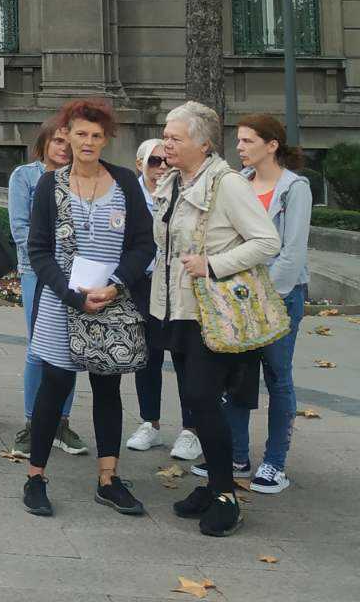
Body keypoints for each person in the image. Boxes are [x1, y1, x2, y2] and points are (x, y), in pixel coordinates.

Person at [20, 99, 156, 519]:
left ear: (106, 139)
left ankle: (108, 479)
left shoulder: (125, 184)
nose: (88, 142)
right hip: (64, 303)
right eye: (80, 134)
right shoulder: (50, 185)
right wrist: (72, 295)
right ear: (67, 135)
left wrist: (115, 286)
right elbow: (39, 251)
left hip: (110, 305)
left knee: (107, 388)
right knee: (54, 386)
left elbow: (142, 244)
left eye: (97, 136)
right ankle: (36, 476)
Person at [151, 101, 280, 538]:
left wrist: (213, 264)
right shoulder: (171, 180)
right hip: (179, 309)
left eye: (175, 137)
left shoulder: (227, 185)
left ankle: (225, 494)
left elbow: (267, 241)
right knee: (194, 400)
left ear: (203, 143)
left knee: (205, 400)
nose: (166, 143)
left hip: (214, 311)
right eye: (165, 135)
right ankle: (212, 486)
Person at [222, 113, 312, 495]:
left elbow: (291, 253)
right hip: (241, 294)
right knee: (238, 377)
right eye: (239, 141)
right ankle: (236, 457)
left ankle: (274, 463)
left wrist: (265, 299)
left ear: (271, 145)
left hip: (279, 296)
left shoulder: (295, 188)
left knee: (278, 377)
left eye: (247, 141)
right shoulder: (238, 182)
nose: (239, 147)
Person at [8, 121, 85, 456]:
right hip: (37, 272)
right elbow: (20, 228)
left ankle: (61, 422)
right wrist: (53, 263)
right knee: (38, 349)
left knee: (71, 347)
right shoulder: (25, 176)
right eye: (57, 140)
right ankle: (32, 423)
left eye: (69, 142)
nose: (64, 148)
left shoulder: (84, 177)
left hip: (76, 275)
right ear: (43, 143)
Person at [126, 137, 200, 459]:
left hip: (179, 284)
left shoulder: (180, 191)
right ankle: (150, 423)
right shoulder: (130, 196)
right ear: (140, 165)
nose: (160, 167)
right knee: (148, 357)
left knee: (185, 357)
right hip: (144, 285)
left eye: (165, 161)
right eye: (153, 161)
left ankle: (190, 429)